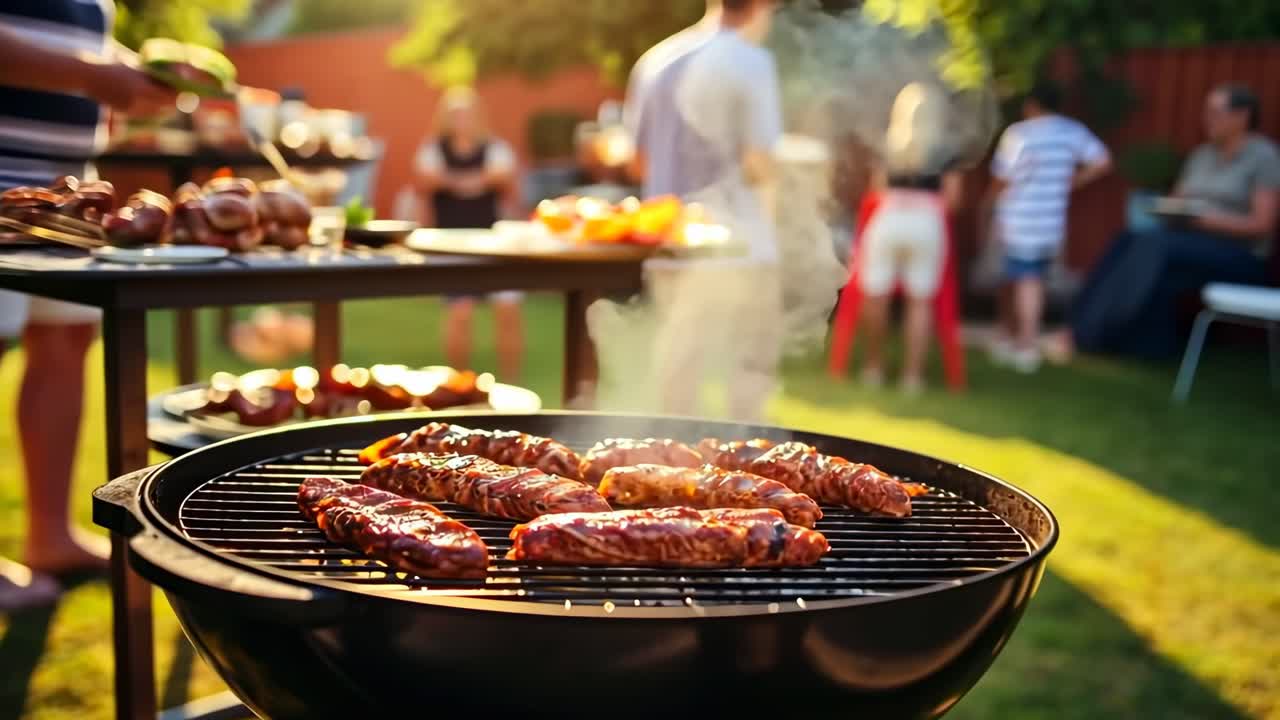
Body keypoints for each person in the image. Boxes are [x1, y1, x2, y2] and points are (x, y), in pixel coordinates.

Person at [0, 0, 177, 611]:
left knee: (66, 342)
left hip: (66, 193)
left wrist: (137, 70)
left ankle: (49, 536)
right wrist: (94, 77)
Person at [625, 0, 783, 422]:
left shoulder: (657, 59)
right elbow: (758, 162)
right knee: (749, 365)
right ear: (762, 6)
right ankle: (747, 468)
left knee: (679, 359)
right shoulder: (752, 62)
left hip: (668, 239)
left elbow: (637, 160)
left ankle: (673, 464)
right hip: (738, 244)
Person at [1050, 85, 1278, 361]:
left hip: (1240, 255)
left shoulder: (1264, 157)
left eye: (1216, 112)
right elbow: (1177, 200)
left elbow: (1262, 225)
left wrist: (1202, 220)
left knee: (1154, 245)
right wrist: (1169, 210)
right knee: (1130, 238)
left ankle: (1088, 335)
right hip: (1189, 244)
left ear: (1242, 115)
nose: (1207, 118)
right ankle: (1091, 330)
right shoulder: (1202, 155)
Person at [982, 82, 1111, 372]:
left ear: (1031, 105)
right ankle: (1007, 336)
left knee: (1026, 280)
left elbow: (1003, 176)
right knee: (1019, 277)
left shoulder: (1020, 134)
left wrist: (989, 201)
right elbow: (1103, 160)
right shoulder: (1071, 132)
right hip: (1051, 221)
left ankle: (1026, 346)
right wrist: (1074, 180)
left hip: (1017, 219)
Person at [857, 82, 964, 393]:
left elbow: (876, 191)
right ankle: (912, 377)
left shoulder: (889, 145)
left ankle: (873, 367)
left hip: (888, 221)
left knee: (876, 294)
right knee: (920, 301)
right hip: (926, 224)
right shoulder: (947, 150)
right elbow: (954, 200)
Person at [414, 87, 523, 380]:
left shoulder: (495, 148)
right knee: (460, 312)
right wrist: (473, 181)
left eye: (466, 113)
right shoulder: (433, 149)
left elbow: (504, 177)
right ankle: (460, 384)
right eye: (455, 114)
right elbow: (426, 180)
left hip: (495, 243)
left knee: (508, 309)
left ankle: (512, 380)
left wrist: (454, 182)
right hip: (453, 244)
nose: (461, 120)